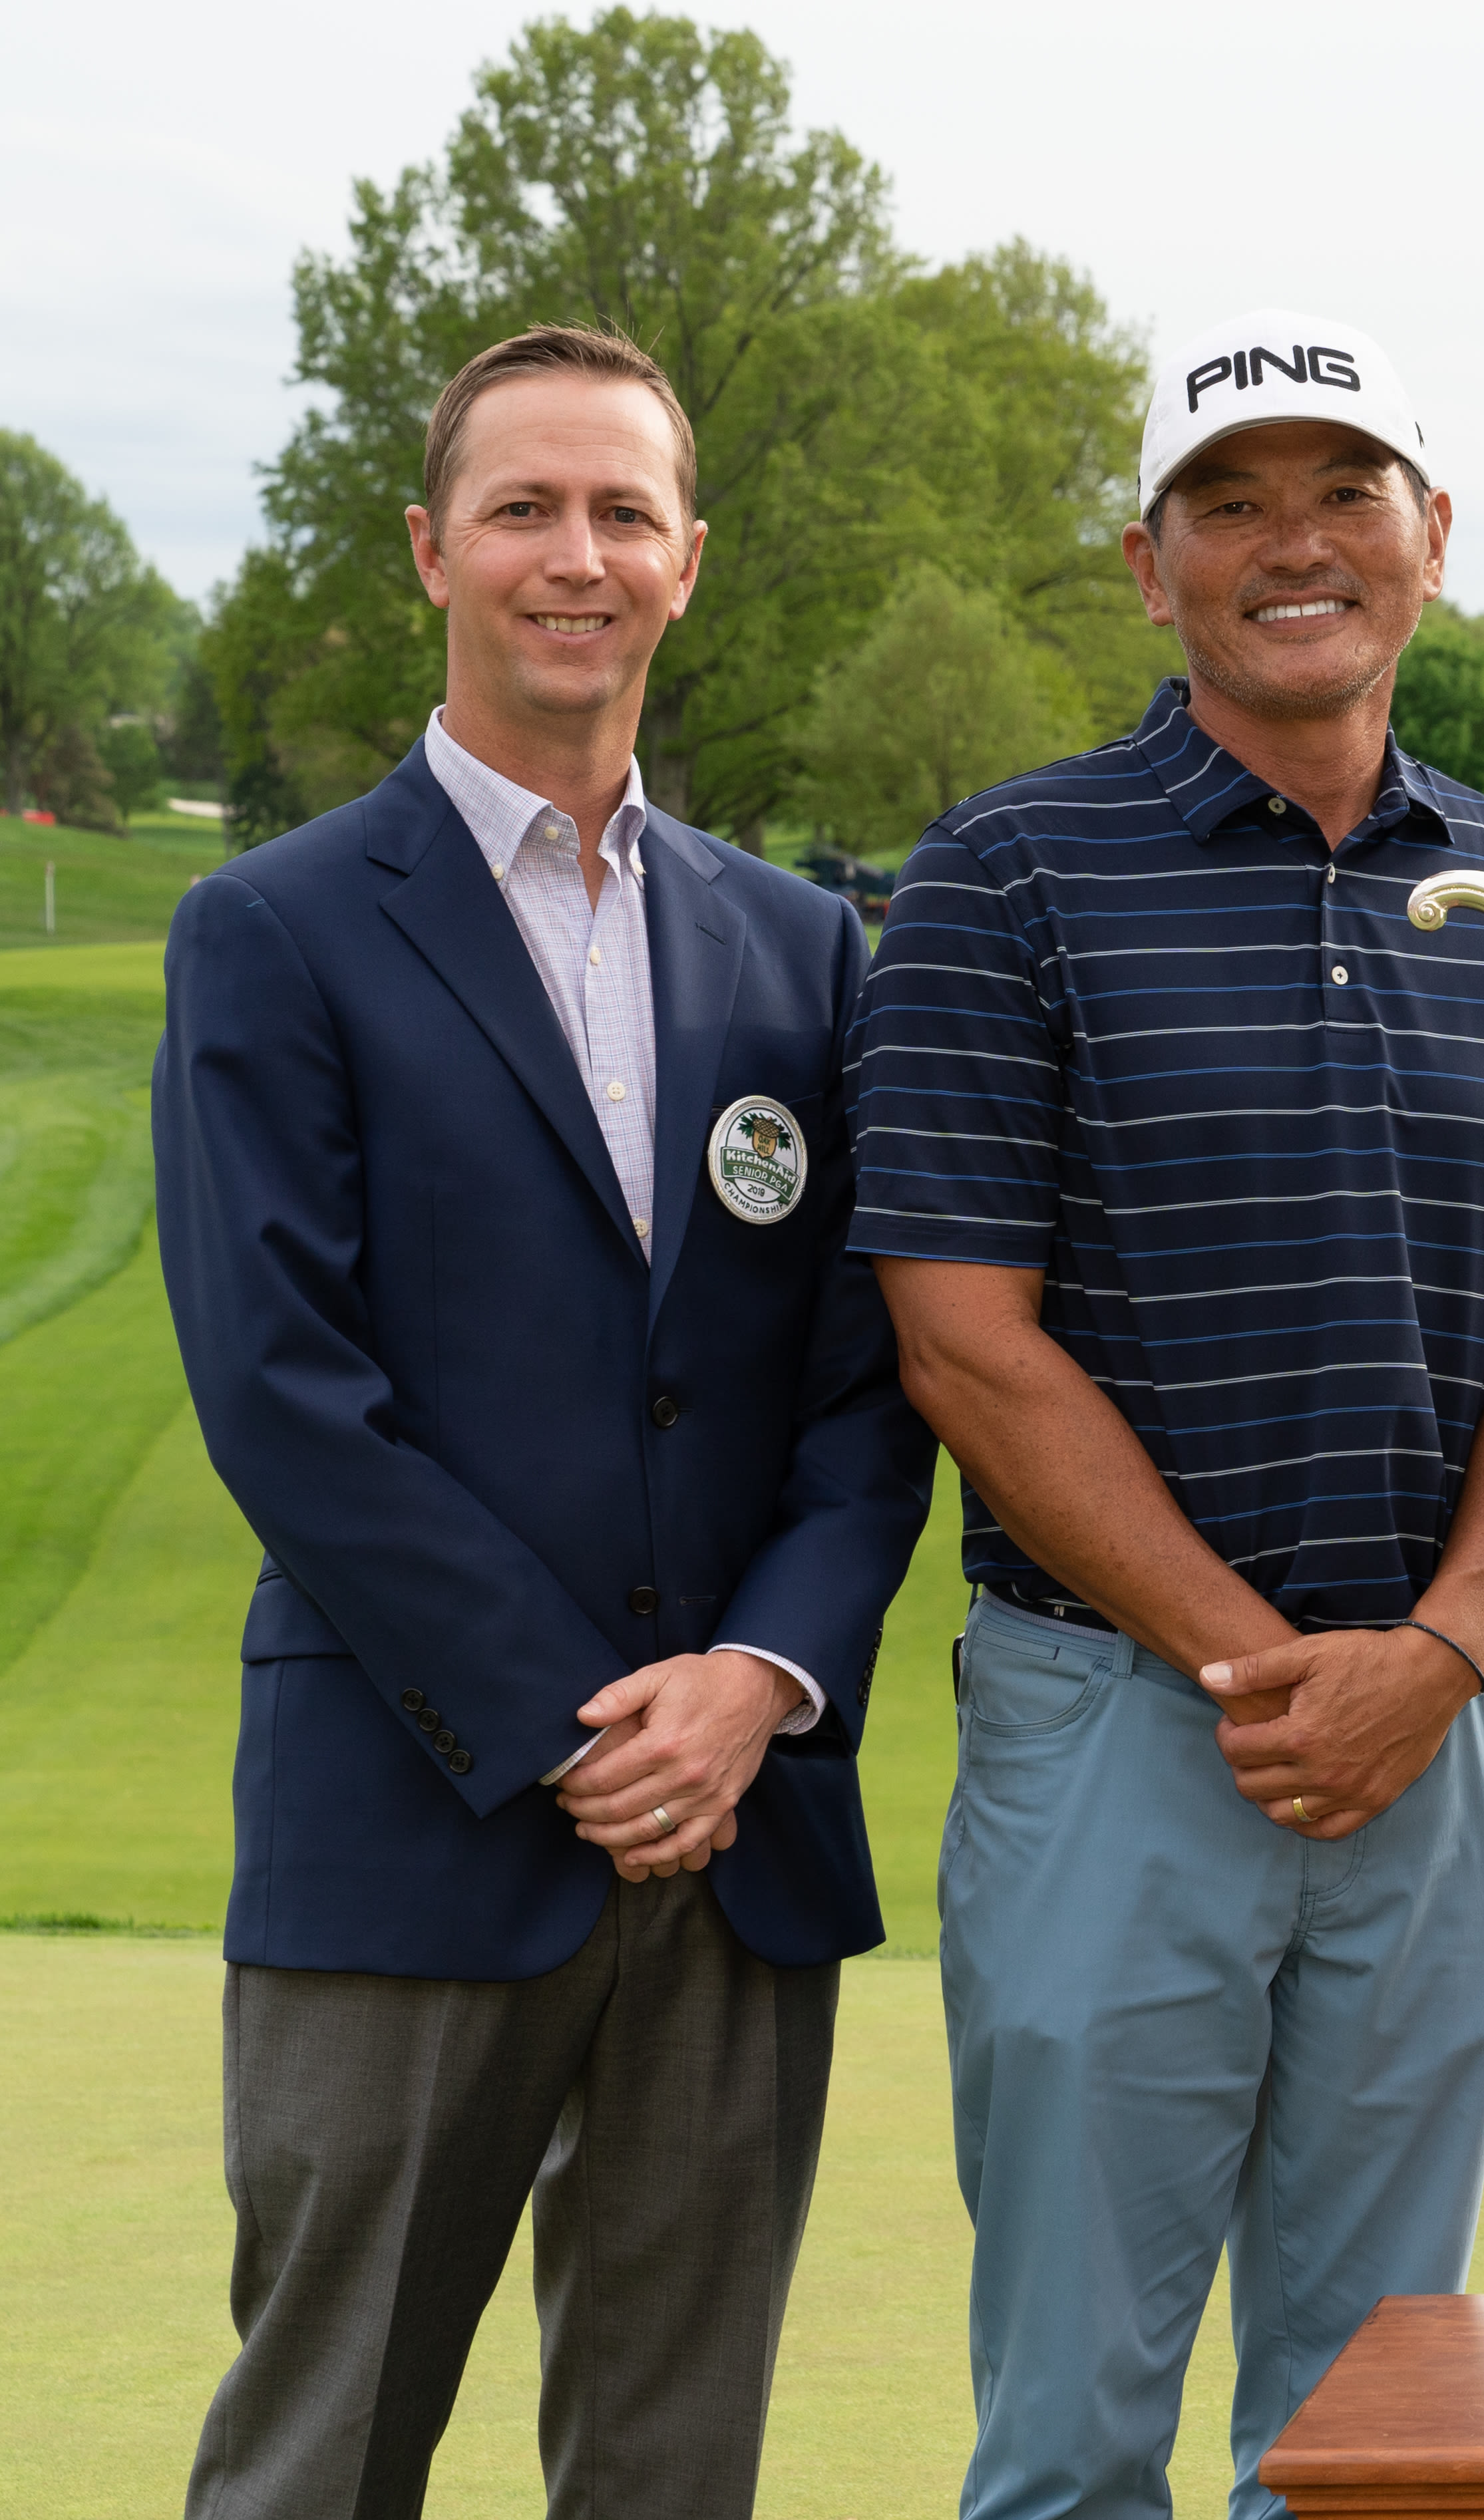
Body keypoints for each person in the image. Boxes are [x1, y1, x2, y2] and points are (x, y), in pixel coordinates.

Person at [846, 306, 1484, 2520]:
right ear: (1149, 560)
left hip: (1445, 1726)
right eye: (1232, 500)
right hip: (1119, 1728)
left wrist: (1436, 1656)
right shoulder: (1001, 881)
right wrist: (1265, 1672)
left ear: (1433, 537)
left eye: (1344, 491)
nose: (1295, 542)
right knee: (1075, 2440)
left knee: (1374, 2446)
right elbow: (966, 1346)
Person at [153, 324, 930, 2518]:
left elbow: (865, 1399)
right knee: (321, 2463)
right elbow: (287, 1398)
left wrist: (757, 1683)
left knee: (670, 2476)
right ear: (431, 550)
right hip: (418, 1820)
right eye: (523, 507)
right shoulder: (275, 930)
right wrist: (588, 1725)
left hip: (741, 1838)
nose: (571, 556)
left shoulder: (803, 950)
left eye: (620, 512)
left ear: (689, 558)